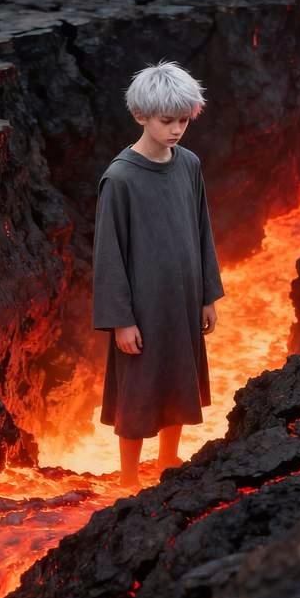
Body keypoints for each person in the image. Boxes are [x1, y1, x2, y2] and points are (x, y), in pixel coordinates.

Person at [92, 59, 225, 490]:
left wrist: (208, 294)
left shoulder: (189, 164)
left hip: (183, 300)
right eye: (167, 120)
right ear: (140, 116)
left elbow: (201, 227)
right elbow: (109, 255)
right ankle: (128, 479)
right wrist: (121, 320)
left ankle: (169, 460)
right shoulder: (120, 178)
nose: (177, 130)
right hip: (142, 307)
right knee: (137, 390)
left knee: (178, 379)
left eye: (184, 120)